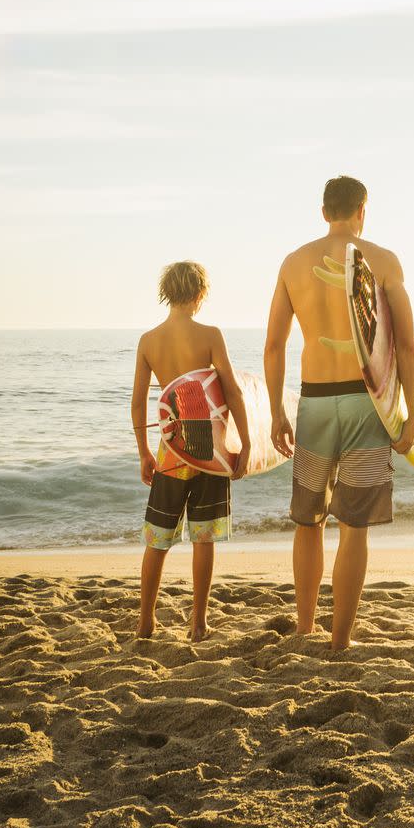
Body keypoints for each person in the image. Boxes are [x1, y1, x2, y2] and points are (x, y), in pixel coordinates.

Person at [265, 176, 414, 650]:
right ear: (362, 211)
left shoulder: (294, 263)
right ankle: (339, 642)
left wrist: (277, 411)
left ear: (323, 211)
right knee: (354, 528)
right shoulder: (384, 260)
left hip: (313, 403)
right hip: (365, 403)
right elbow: (407, 345)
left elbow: (274, 346)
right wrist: (411, 420)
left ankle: (305, 626)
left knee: (308, 521)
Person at [131, 260, 250, 641]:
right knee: (204, 537)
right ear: (200, 295)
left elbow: (137, 403)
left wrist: (144, 452)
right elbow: (232, 391)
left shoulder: (149, 340)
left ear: (168, 292)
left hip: (171, 451)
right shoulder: (211, 334)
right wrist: (245, 442)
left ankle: (145, 621)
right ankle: (198, 623)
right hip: (208, 451)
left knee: (158, 540)